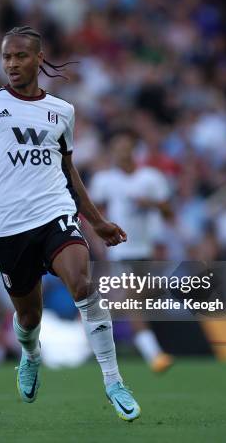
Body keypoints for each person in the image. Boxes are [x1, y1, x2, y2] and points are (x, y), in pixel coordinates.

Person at [0, 26, 140, 422]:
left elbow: (69, 172)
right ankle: (30, 352)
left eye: (20, 56)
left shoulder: (61, 111)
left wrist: (97, 222)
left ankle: (113, 380)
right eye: (6, 57)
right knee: (28, 318)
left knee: (83, 286)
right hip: (10, 229)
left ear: (38, 59)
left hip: (56, 214)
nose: (11, 64)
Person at [90, 134, 174, 373]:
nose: (120, 154)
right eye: (116, 149)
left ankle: (100, 328)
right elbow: (94, 215)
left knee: (141, 298)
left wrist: (153, 204)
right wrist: (100, 244)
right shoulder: (104, 180)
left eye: (125, 148)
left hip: (147, 249)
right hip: (120, 250)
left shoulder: (151, 178)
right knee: (132, 298)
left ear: (134, 150)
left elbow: (169, 211)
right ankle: (154, 355)